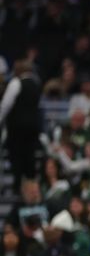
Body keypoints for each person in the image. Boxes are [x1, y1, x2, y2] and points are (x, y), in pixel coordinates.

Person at [0, 60, 42, 189]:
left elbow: (6, 105)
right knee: (29, 157)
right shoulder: (36, 84)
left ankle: (18, 185)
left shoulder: (16, 83)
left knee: (16, 155)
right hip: (33, 128)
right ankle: (30, 185)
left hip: (17, 127)